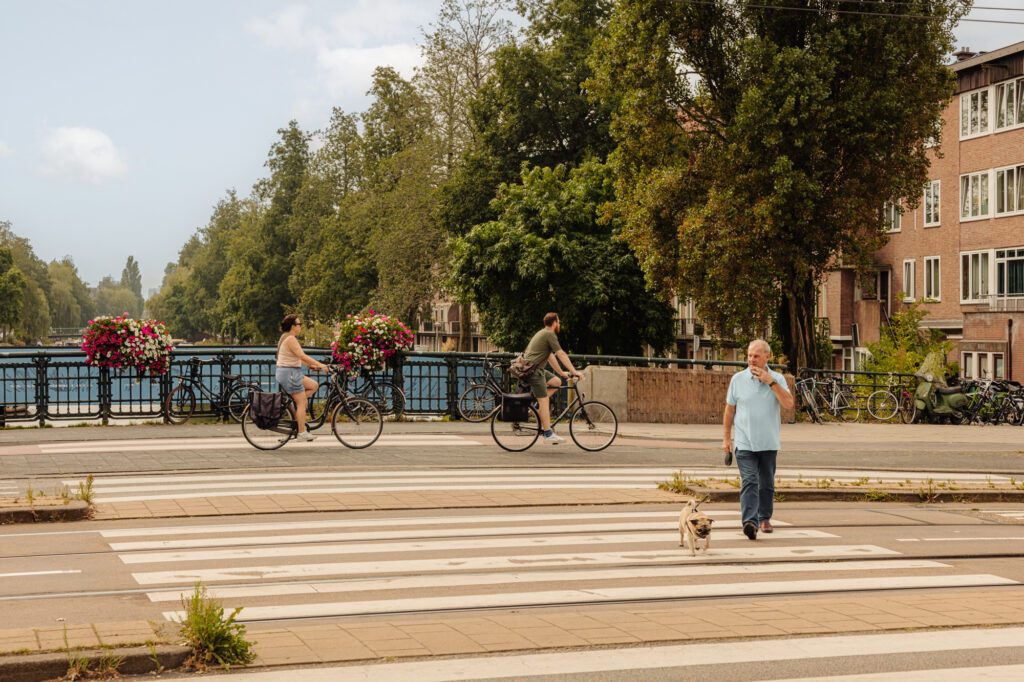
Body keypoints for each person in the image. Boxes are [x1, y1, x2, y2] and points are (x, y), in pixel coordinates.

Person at [722, 339, 794, 540]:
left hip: (768, 442)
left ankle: (764, 518)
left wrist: (771, 382)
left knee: (767, 484)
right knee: (750, 480)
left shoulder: (777, 378)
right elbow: (729, 410)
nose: (751, 360)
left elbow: (789, 404)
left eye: (756, 356)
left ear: (767, 357)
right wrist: (726, 439)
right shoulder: (737, 379)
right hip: (744, 442)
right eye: (749, 356)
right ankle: (750, 523)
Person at [522, 313, 585, 443]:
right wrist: (574, 371)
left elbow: (551, 357)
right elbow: (561, 354)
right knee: (544, 401)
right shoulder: (549, 334)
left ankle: (536, 406)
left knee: (556, 381)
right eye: (559, 322)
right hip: (533, 371)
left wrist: (561, 373)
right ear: (555, 322)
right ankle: (548, 433)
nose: (559, 324)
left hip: (534, 368)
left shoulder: (543, 333)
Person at [276, 314, 328, 442]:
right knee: (301, 403)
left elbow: (296, 357)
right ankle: (301, 433)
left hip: (290, 372)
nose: (300, 326)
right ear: (293, 326)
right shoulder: (290, 339)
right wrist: (321, 365)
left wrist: (312, 365)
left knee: (313, 385)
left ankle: (296, 406)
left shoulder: (285, 337)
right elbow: (302, 355)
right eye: (299, 324)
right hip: (290, 373)